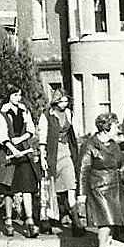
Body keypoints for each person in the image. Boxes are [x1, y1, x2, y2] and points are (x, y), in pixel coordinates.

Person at [77, 112, 124, 247]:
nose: (117, 129)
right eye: (115, 126)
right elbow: (82, 170)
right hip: (99, 188)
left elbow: (120, 165)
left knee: (113, 221)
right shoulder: (89, 145)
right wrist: (81, 194)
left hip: (115, 186)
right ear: (106, 127)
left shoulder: (114, 145)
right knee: (106, 221)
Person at [0, 87, 41, 238]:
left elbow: (31, 129)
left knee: (26, 186)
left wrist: (20, 140)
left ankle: (30, 221)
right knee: (9, 188)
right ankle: (8, 221)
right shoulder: (3, 113)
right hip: (8, 151)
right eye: (15, 95)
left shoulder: (24, 111)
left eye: (20, 94)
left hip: (23, 150)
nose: (18, 98)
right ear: (8, 96)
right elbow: (2, 135)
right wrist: (12, 149)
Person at [37, 90, 81, 235]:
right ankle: (44, 219)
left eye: (66, 101)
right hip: (52, 154)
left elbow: (71, 133)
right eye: (61, 101)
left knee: (71, 187)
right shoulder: (46, 116)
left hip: (66, 152)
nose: (64, 104)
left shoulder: (69, 113)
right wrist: (43, 157)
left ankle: (76, 221)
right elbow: (42, 138)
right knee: (48, 188)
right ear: (55, 102)